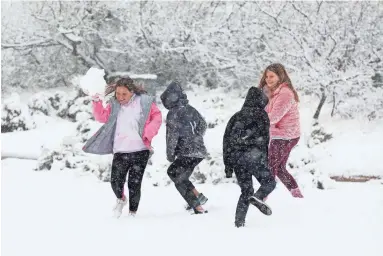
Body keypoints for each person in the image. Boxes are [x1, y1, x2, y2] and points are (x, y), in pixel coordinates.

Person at [82, 77, 162, 218]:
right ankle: (121, 199)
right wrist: (96, 101)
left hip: (140, 150)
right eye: (118, 93)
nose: (120, 97)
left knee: (134, 184)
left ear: (132, 92)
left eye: (124, 94)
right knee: (115, 182)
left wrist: (148, 133)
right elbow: (102, 117)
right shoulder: (114, 104)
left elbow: (157, 117)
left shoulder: (143, 101)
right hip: (120, 150)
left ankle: (132, 213)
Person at [223, 87, 276, 228]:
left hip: (236, 158)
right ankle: (258, 197)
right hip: (254, 156)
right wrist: (264, 160)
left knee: (246, 191)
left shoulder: (236, 116)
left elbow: (226, 141)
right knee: (270, 183)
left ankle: (239, 223)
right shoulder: (262, 115)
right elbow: (264, 140)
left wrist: (228, 166)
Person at [160, 81, 208, 214]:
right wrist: (196, 137)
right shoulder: (191, 109)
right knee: (181, 176)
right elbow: (203, 125)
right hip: (199, 151)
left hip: (186, 152)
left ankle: (197, 206)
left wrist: (170, 154)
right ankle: (197, 196)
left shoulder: (173, 113)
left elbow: (172, 136)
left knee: (173, 173)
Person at [259, 63, 303, 198]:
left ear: (280, 76)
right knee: (279, 168)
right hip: (281, 134)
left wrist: (257, 121)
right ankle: (297, 196)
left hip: (285, 136)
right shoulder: (275, 93)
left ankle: (261, 197)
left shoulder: (285, 94)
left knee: (270, 166)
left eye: (272, 76)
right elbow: (266, 113)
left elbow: (273, 117)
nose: (268, 79)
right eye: (266, 76)